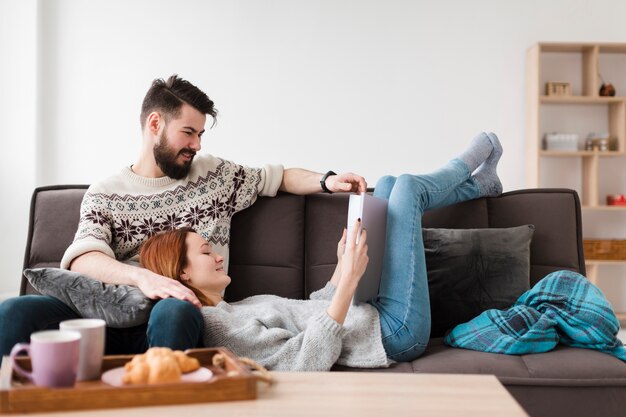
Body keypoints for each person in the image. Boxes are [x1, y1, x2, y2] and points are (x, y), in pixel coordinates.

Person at [0, 75, 367, 356]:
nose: (197, 145)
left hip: (181, 315)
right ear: (155, 124)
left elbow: (279, 176)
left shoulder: (213, 175)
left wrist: (326, 180)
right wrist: (143, 279)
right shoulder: (105, 193)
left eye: (200, 134)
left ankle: (163, 398)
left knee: (174, 311)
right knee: (15, 312)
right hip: (109, 316)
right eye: (188, 132)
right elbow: (83, 258)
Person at [137, 132, 504, 370]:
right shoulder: (221, 329)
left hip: (373, 312)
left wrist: (341, 268)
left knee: (389, 185)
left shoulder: (235, 308)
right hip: (395, 334)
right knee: (407, 187)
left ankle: (484, 184)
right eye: (205, 253)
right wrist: (348, 284)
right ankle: (480, 153)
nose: (218, 255)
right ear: (181, 273)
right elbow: (306, 361)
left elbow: (313, 311)